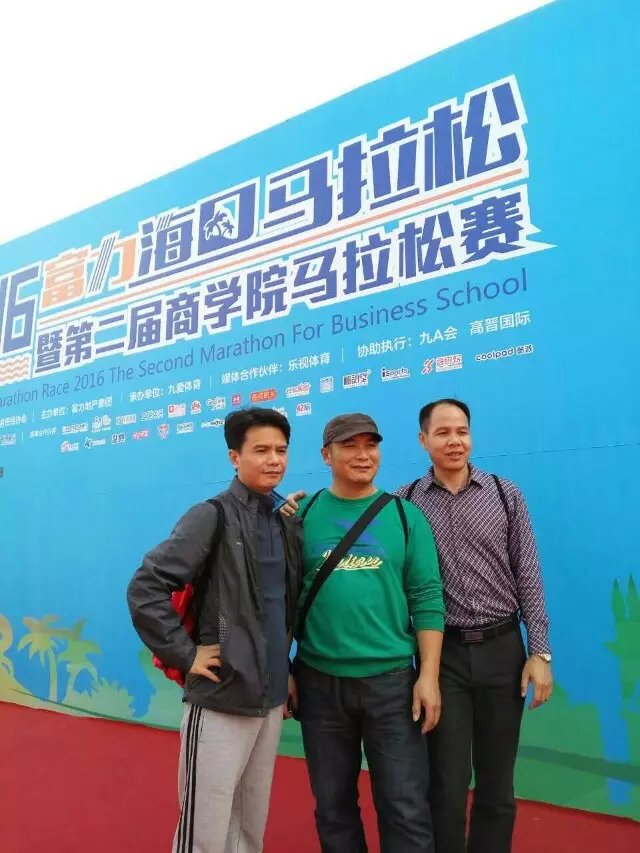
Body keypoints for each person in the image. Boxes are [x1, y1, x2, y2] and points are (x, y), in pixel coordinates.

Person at [127, 407, 302, 853]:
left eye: (281, 450)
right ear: (234, 457)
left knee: (248, 828)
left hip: (270, 701)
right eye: (260, 450)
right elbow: (146, 587)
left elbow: (277, 610)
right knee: (203, 833)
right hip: (220, 696)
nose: (273, 460)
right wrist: (187, 655)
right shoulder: (211, 516)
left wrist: (284, 670)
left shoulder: (283, 522)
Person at [395, 398, 553, 853]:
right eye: (443, 432)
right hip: (441, 658)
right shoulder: (405, 504)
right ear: (423, 439)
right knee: (445, 782)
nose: (454, 441)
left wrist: (540, 652)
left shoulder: (505, 494)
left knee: (497, 783)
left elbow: (528, 574)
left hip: (504, 652)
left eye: (461, 431)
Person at [292, 412, 445, 853]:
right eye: (349, 446)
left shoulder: (405, 516)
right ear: (326, 455)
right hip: (319, 683)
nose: (363, 455)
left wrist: (428, 675)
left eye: (370, 445)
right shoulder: (302, 516)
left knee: (404, 807)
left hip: (392, 685)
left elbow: (427, 598)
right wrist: (283, 668)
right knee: (333, 807)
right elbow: (283, 598)